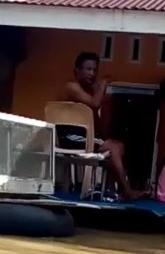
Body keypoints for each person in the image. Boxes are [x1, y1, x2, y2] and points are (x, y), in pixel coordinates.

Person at [60, 51, 146, 201]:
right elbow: (95, 104)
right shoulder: (72, 87)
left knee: (118, 145)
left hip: (84, 137)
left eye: (95, 70)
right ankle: (127, 191)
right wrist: (103, 84)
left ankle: (111, 189)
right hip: (70, 137)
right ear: (77, 70)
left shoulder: (89, 93)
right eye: (88, 69)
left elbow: (98, 125)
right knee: (113, 147)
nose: (92, 74)